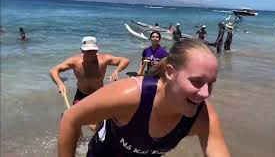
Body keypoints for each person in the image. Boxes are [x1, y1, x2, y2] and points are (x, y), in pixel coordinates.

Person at [58, 38, 230, 157]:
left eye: (210, 83)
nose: (205, 93)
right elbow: (70, 118)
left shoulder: (202, 116)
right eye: (197, 81)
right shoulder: (132, 95)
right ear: (169, 73)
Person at [50, 36, 130, 105]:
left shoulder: (103, 59)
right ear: (82, 50)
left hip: (99, 94)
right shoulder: (74, 61)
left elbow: (125, 60)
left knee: (99, 120)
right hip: (81, 94)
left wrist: (116, 71)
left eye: (93, 50)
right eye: (87, 51)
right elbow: (54, 70)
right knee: (77, 118)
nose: (91, 53)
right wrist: (60, 84)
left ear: (97, 50)